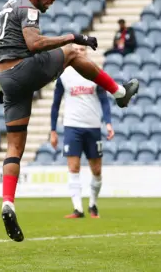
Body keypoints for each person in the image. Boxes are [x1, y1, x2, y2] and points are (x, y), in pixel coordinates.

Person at [0, 0, 139, 242]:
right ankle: (119, 93)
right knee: (74, 53)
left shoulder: (5, 9)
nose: (52, 0)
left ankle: (7, 203)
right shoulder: (29, 9)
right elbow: (34, 43)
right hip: (22, 69)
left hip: (6, 80)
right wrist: (72, 37)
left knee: (14, 147)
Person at [49, 44, 114, 219]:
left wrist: (108, 123)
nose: (79, 52)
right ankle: (78, 208)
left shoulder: (94, 73)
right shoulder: (64, 76)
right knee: (73, 167)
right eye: (76, 50)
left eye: (82, 50)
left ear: (87, 52)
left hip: (93, 126)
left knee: (97, 169)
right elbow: (55, 104)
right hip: (72, 126)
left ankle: (93, 205)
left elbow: (104, 101)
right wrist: (53, 130)